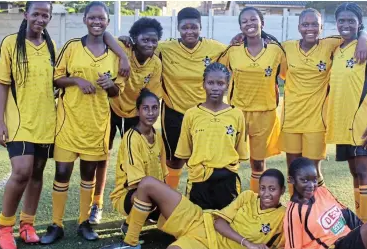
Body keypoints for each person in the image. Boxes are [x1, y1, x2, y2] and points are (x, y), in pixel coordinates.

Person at [40, 1, 125, 244]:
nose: (97, 22)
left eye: (101, 18)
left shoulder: (115, 54)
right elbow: (57, 79)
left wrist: (111, 87)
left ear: (107, 22)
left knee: (88, 175)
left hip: (97, 123)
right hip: (68, 121)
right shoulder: (72, 47)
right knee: (63, 172)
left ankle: (83, 222)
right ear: (85, 20)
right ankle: (56, 224)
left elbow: (117, 91)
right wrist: (77, 80)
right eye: (92, 18)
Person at [120, 7, 228, 190]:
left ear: (201, 27)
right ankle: (170, 201)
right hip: (173, 113)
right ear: (178, 28)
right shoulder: (164, 48)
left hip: (203, 114)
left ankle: (201, 199)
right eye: (185, 27)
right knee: (174, 160)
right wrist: (124, 41)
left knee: (204, 158)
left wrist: (255, 37)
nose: (189, 32)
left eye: (194, 27)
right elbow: (141, 45)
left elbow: (237, 51)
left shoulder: (216, 48)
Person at [278, 8, 367, 195]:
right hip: (291, 119)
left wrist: (363, 39)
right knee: (293, 169)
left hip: (317, 121)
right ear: (298, 27)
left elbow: (355, 30)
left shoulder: (330, 44)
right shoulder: (286, 48)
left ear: (321, 27)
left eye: (314, 25)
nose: (309, 28)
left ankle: (321, 211)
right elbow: (265, 44)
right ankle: (296, 211)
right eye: (305, 24)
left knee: (313, 171)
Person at [0, 2, 57, 248]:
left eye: (45, 15)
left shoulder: (51, 47)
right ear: (26, 14)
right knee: (21, 172)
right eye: (36, 14)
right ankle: (4, 228)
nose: (41, 18)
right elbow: (1, 85)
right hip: (19, 120)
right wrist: (0, 123)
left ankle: (27, 225)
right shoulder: (11, 44)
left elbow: (56, 81)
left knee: (37, 173)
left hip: (46, 120)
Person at [89, 18, 164, 225]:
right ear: (134, 39)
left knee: (136, 160)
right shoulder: (123, 48)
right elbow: (103, 34)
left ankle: (139, 205)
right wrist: (122, 54)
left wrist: (144, 116)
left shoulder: (156, 63)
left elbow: (153, 94)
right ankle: (97, 203)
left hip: (135, 114)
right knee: (101, 155)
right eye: (145, 39)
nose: (149, 44)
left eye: (154, 41)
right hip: (111, 107)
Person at [105, 168, 287, 249]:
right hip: (198, 219)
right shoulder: (248, 196)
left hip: (207, 245)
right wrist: (247, 243)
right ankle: (131, 242)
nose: (266, 194)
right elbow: (219, 223)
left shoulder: (283, 217)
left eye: (272, 189)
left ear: (282, 191)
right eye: (263, 188)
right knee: (147, 184)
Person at [326, 3, 367, 223]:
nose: (345, 24)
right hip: (343, 122)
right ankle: (360, 222)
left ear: (359, 23)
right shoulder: (336, 49)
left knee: (363, 169)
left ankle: (366, 223)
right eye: (341, 20)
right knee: (354, 171)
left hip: (363, 121)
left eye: (351, 20)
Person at [218, 7, 286, 194]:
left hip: (265, 112)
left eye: (253, 19)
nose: (249, 24)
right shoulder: (233, 50)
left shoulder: (275, 50)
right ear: (240, 27)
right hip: (236, 112)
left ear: (261, 23)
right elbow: (215, 72)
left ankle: (256, 198)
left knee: (257, 161)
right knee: (229, 157)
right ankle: (228, 196)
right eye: (244, 21)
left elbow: (289, 74)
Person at [172, 62, 248, 210]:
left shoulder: (236, 114)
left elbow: (239, 151)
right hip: (199, 180)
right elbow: (185, 151)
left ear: (227, 85)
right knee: (198, 225)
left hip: (227, 179)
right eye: (210, 82)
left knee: (227, 225)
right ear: (203, 84)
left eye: (220, 83)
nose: (215, 87)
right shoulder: (192, 114)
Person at [284, 157, 367, 249]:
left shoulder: (321, 191)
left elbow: (346, 214)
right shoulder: (293, 213)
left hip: (349, 239)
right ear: (292, 180)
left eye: (314, 180)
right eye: (305, 181)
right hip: (336, 245)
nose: (311, 185)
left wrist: (364, 230)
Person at [109, 88, 168, 236]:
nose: (150, 113)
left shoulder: (158, 136)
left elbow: (163, 175)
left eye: (155, 108)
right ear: (137, 111)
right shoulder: (131, 138)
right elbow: (139, 184)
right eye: (145, 108)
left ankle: (153, 215)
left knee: (178, 204)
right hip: (129, 196)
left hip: (153, 194)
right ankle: (129, 227)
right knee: (148, 194)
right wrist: (161, 198)